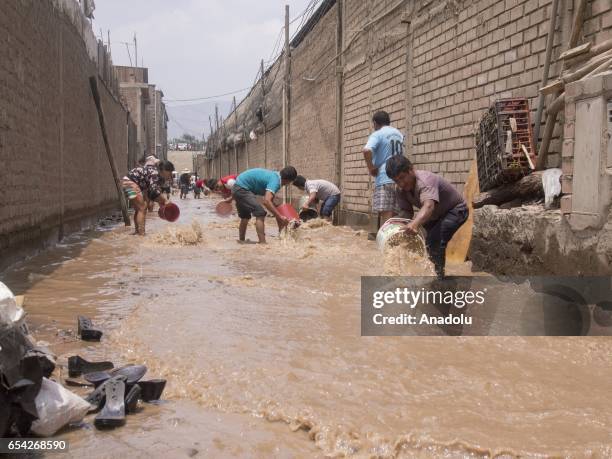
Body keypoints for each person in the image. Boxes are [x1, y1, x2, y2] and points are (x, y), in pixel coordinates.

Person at [385, 155, 468, 279]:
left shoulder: (425, 180)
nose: (401, 183)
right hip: (434, 216)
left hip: (456, 210)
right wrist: (395, 225)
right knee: (420, 241)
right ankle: (427, 275)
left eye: (402, 178)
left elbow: (429, 206)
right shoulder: (400, 190)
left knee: (434, 241)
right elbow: (406, 211)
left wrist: (414, 223)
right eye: (396, 180)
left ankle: (439, 280)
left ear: (410, 170)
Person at [363, 110, 404, 236]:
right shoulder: (399, 134)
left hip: (385, 177)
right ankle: (395, 246)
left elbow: (366, 150)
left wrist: (371, 168)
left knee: (387, 216)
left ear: (375, 123)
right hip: (401, 179)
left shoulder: (378, 134)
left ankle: (386, 246)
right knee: (395, 216)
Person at [232, 167, 298, 244]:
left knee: (245, 217)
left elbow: (271, 202)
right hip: (243, 189)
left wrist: (280, 216)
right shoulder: (275, 181)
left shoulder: (275, 176)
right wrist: (280, 216)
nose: (286, 185)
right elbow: (266, 201)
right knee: (260, 213)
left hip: (237, 188)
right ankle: (262, 243)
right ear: (288, 180)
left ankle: (242, 241)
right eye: (289, 183)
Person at [122, 160, 175, 235]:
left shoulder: (157, 175)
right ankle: (141, 234)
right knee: (142, 208)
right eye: (170, 172)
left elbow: (151, 193)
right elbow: (154, 190)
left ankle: (137, 232)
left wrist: (162, 203)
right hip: (129, 183)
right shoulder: (155, 173)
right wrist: (165, 200)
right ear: (163, 170)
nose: (170, 175)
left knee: (140, 208)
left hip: (128, 183)